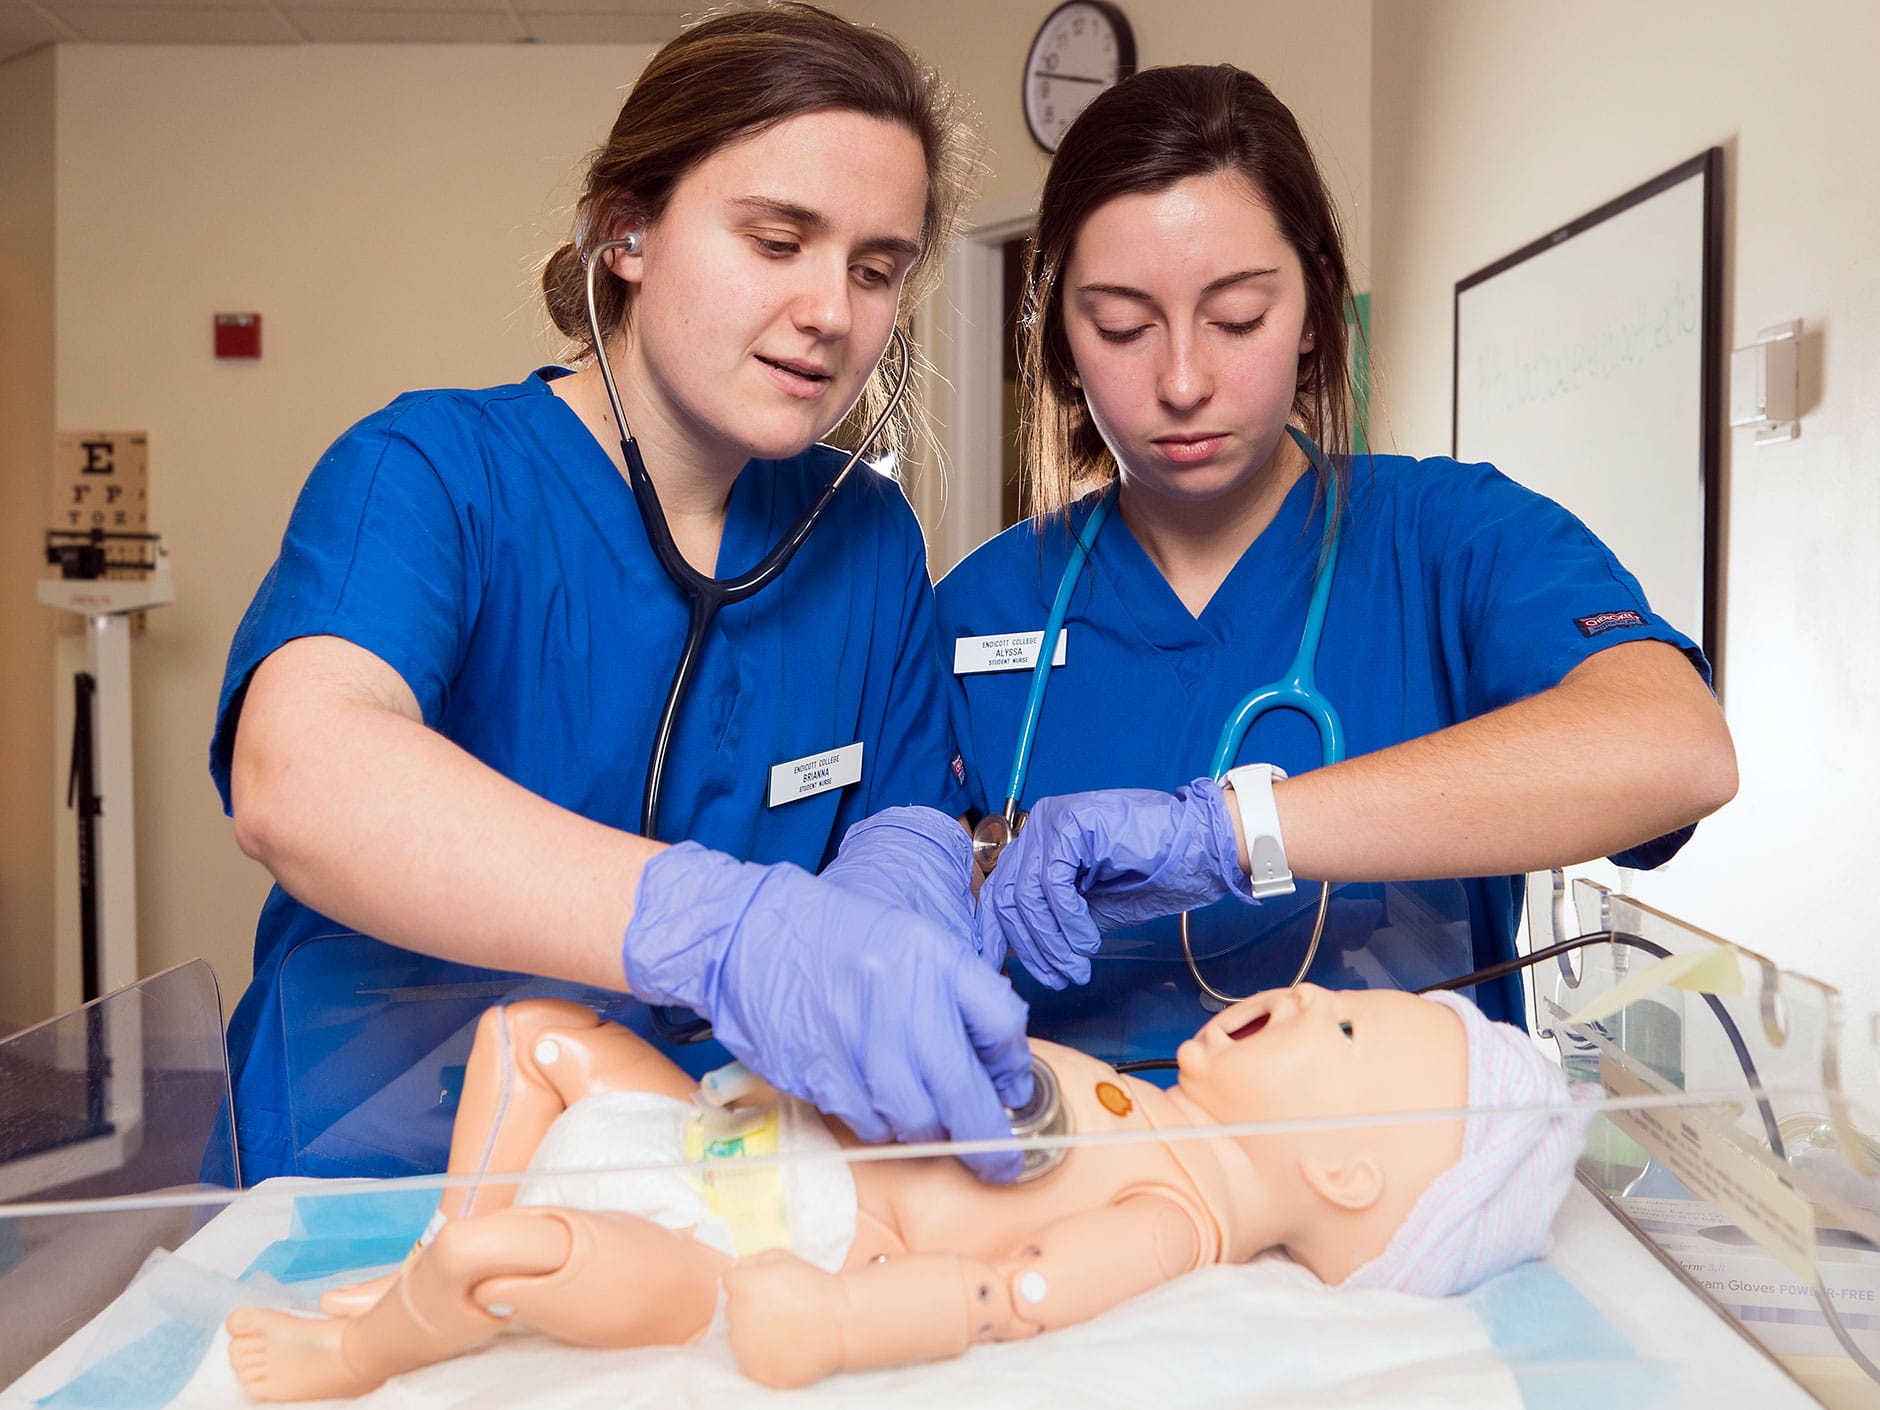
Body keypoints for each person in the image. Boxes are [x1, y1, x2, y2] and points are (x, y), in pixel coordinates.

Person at [209, 1, 1031, 1187]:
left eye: (873, 269)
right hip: (382, 1173)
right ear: (627, 234)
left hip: (701, 1181)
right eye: (775, 239)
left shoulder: (863, 536)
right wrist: (729, 933)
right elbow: (299, 779)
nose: (830, 312)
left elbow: (903, 815)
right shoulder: (431, 474)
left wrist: (889, 902)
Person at [221, 815, 1587, 1398]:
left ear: (1345, 1177)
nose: (1311, 993)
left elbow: (1023, 1296)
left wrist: (836, 1319)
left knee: (507, 1253)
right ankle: (422, 1282)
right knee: (528, 1036)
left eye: (1350, 1026)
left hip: (761, 1234)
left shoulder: (1174, 1212)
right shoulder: (1157, 1105)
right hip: (733, 1120)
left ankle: (371, 1354)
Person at [942, 65, 1737, 1061]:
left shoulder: (1449, 537)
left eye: (1236, 317)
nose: (1181, 380)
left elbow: (1676, 751)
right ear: (1058, 336)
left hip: (1397, 1196)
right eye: (1121, 325)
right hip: (1072, 1188)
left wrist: (1230, 833)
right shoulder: (975, 608)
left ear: (1314, 307)